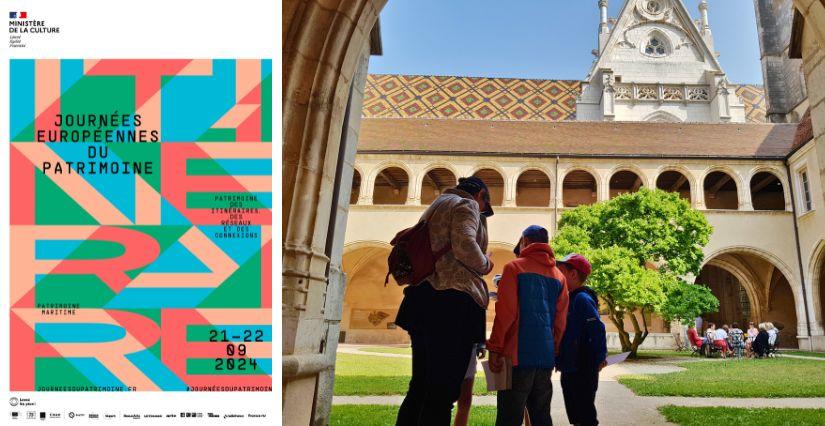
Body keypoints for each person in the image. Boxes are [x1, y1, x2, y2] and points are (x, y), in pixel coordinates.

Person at [395, 176, 495, 426]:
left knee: (420, 385)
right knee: (443, 389)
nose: (482, 212)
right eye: (485, 206)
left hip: (423, 299)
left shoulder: (436, 205)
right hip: (452, 302)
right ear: (480, 195)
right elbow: (464, 245)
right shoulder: (466, 204)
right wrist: (486, 263)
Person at [487, 225, 569, 426]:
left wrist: (495, 348)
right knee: (541, 416)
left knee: (509, 417)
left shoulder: (514, 268)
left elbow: (506, 313)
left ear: (524, 240)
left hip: (517, 357)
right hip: (544, 357)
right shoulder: (559, 276)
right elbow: (560, 322)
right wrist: (555, 349)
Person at [557, 253, 607, 426]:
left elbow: (598, 329)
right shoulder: (570, 298)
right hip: (570, 366)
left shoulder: (582, 299)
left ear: (573, 274)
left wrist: (600, 357)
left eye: (561, 270)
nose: (557, 274)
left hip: (582, 367)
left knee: (584, 412)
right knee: (575, 412)